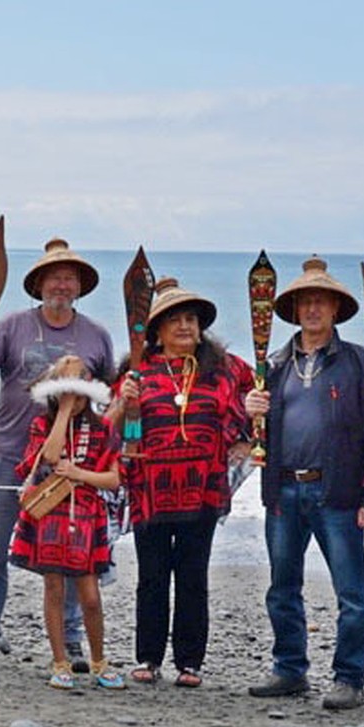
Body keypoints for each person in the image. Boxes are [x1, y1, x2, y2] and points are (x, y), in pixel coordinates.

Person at [0, 239, 115, 669]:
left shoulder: (96, 336)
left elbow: (110, 401)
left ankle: (72, 643)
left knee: (71, 554)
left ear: (79, 286)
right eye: (54, 277)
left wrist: (112, 451)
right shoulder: (10, 327)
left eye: (69, 278)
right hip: (11, 453)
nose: (62, 284)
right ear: (39, 284)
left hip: (72, 462)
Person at [245, 256, 364, 708]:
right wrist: (250, 410)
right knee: (282, 587)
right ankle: (290, 669)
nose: (312, 310)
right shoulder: (273, 364)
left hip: (339, 493)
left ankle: (349, 678)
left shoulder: (359, 364)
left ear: (335, 310)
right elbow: (249, 436)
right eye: (305, 302)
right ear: (292, 310)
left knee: (351, 593)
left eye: (321, 302)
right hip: (283, 490)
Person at [116, 277, 249, 688]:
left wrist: (245, 438)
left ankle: (189, 662)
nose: (185, 327)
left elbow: (261, 391)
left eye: (191, 320)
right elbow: (110, 426)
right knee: (152, 576)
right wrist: (124, 400)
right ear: (157, 330)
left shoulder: (226, 367)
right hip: (150, 490)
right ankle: (148, 658)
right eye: (174, 321)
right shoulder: (136, 370)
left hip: (203, 487)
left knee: (194, 575)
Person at [10, 355, 125, 690]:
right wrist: (62, 411)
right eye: (65, 393)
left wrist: (79, 474)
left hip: (87, 514)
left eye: (78, 394)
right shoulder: (42, 425)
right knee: (54, 587)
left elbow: (114, 479)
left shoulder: (103, 428)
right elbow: (47, 457)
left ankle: (99, 660)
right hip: (51, 514)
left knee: (90, 594)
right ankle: (60, 661)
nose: (73, 401)